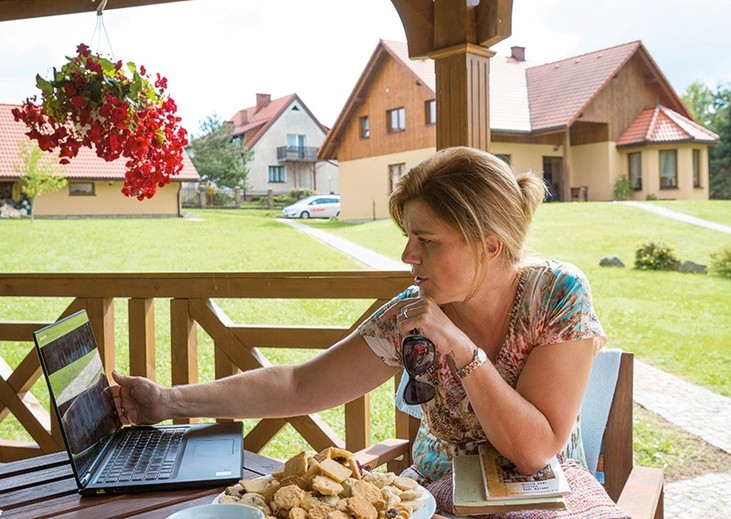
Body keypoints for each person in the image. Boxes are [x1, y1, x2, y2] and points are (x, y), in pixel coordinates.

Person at [111, 146, 623, 518]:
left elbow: (534, 450)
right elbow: (300, 386)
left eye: (427, 240)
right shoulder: (410, 315)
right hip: (439, 491)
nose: (407, 256)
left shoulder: (556, 294)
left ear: (489, 245)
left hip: (544, 495)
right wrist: (167, 401)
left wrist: (460, 349)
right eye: (408, 238)